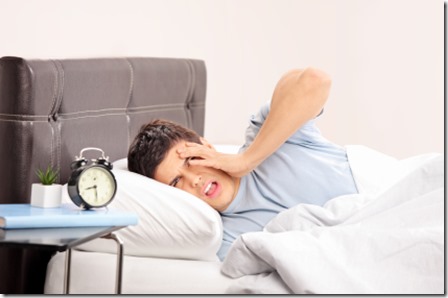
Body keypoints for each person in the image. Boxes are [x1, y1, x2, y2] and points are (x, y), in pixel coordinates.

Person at [127, 67, 359, 260]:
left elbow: (314, 80)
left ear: (206, 145)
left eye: (190, 160)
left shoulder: (263, 135)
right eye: (177, 182)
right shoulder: (228, 240)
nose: (194, 179)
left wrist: (246, 161)